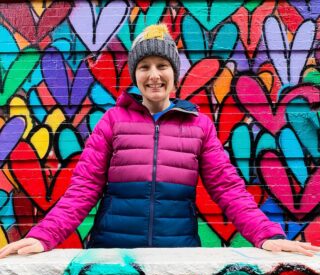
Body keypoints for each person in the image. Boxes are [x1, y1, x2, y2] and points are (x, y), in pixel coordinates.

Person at [0, 24, 319, 258]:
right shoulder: (112, 122)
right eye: (145, 67)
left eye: (162, 66)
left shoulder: (199, 126)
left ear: (174, 73)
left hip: (178, 259)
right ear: (135, 74)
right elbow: (82, 191)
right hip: (112, 259)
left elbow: (229, 190)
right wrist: (43, 236)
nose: (154, 75)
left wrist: (266, 236)